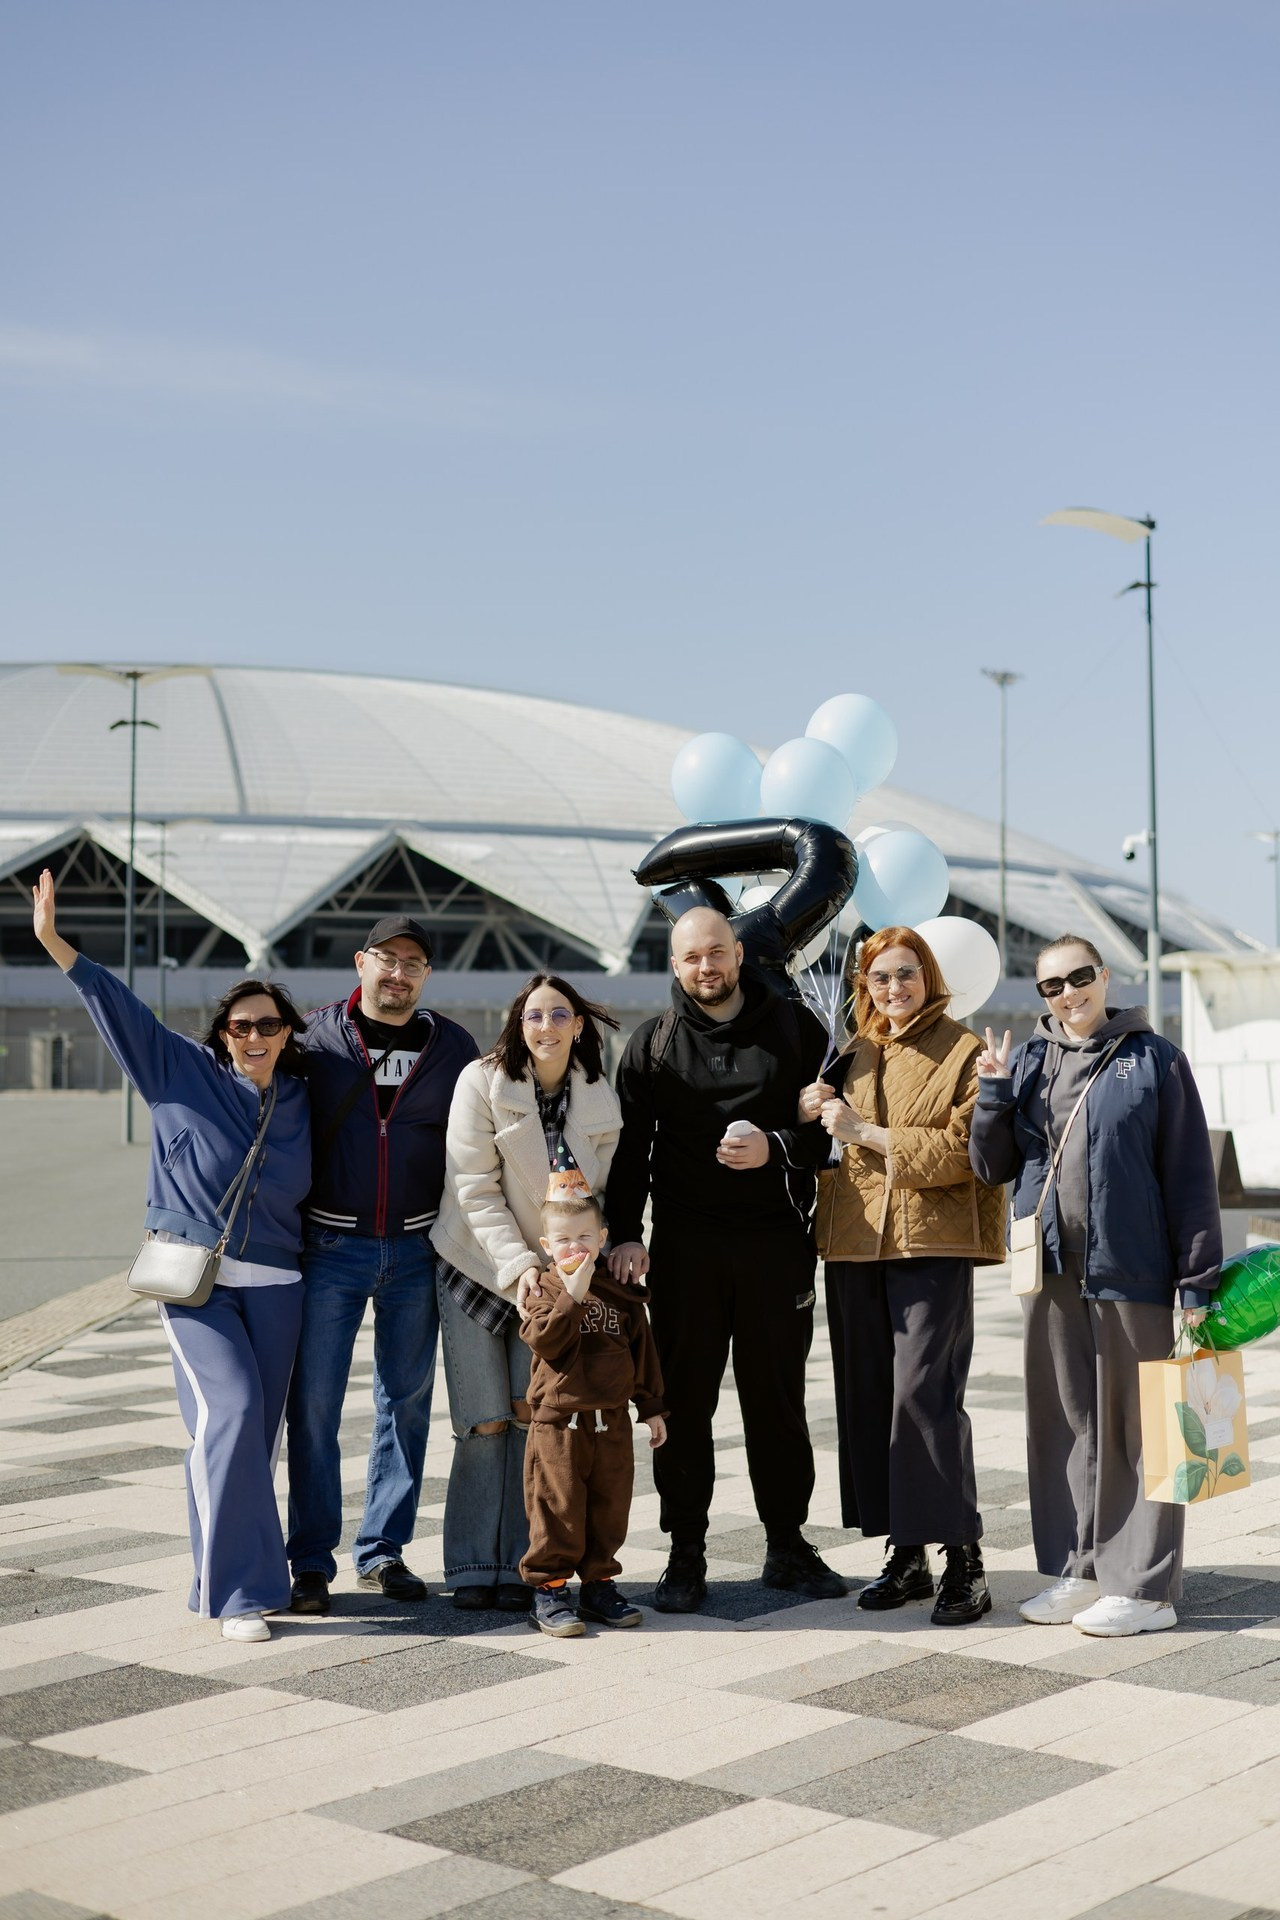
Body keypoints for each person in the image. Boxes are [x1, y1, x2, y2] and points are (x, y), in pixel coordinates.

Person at [31, 869, 311, 1644]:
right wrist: (56, 943)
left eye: (270, 1026)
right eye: (240, 1026)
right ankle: (241, 1595)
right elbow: (118, 1008)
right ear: (222, 1032)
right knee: (231, 1412)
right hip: (195, 1284)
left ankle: (211, 1578)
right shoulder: (178, 1071)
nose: (254, 1038)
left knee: (252, 1440)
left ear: (290, 1033)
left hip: (281, 1284)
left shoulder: (301, 1098)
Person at [970, 933, 1221, 1638]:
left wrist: (1197, 1284)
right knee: (1066, 1426)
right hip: (1052, 1272)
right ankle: (1081, 1570)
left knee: (1140, 1434)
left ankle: (1145, 1587)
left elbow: (1191, 1179)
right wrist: (992, 1093)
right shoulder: (1028, 1060)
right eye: (1051, 985)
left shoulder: (1154, 1060)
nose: (1067, 994)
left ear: (1105, 976)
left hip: (1133, 1271)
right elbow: (990, 1167)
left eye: (1079, 978)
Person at [605, 906, 845, 1612]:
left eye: (716, 953)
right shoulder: (652, 1045)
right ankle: (685, 1552)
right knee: (683, 1406)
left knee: (777, 1402)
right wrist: (625, 1232)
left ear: (738, 954)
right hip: (686, 1250)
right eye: (690, 958)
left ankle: (788, 1545)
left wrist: (776, 1144)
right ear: (675, 967)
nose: (705, 967)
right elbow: (629, 1155)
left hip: (776, 1244)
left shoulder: (798, 1030)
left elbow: (832, 1139)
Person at [801, 926, 1006, 1625]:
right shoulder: (853, 1051)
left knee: (925, 1395)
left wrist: (867, 1134)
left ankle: (965, 1559)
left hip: (934, 1244)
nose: (894, 988)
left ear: (930, 977)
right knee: (870, 1400)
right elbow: (825, 1137)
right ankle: (907, 1553)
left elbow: (963, 1149)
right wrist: (811, 1111)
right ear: (864, 984)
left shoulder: (964, 1050)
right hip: (855, 1241)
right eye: (880, 977)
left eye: (907, 974)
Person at [286, 914, 479, 1613]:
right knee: (312, 1408)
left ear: (425, 977)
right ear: (362, 963)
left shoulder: (450, 1045)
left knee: (406, 1404)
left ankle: (383, 1551)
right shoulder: (312, 1038)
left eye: (414, 964)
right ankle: (310, 1560)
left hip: (414, 1248)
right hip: (329, 1249)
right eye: (387, 959)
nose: (399, 974)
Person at [431, 973, 622, 1611]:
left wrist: (578, 1263)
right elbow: (474, 1187)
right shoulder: (481, 1081)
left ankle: (523, 1566)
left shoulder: (597, 1092)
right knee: (480, 1422)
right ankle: (469, 1564)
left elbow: (603, 1194)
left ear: (578, 1024)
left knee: (530, 1419)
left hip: (552, 1284)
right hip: (479, 1268)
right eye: (533, 1015)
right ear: (519, 1023)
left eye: (558, 1014)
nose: (546, 1026)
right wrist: (518, 1266)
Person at [519, 1191, 667, 1636]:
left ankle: (599, 1584)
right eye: (563, 1239)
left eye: (585, 1236)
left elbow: (641, 1349)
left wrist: (651, 1406)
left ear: (603, 1237)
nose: (575, 1247)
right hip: (559, 1422)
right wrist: (573, 1295)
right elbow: (545, 1340)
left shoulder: (620, 1290)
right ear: (546, 1244)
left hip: (612, 1419)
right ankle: (549, 1590)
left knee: (609, 1505)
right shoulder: (542, 1287)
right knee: (557, 1506)